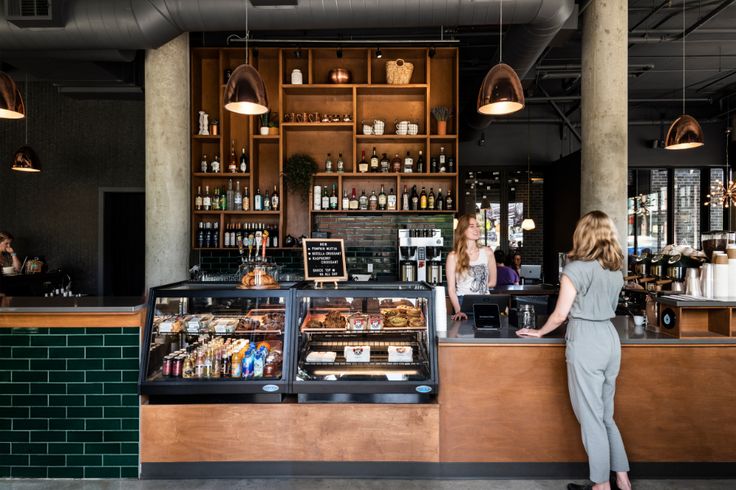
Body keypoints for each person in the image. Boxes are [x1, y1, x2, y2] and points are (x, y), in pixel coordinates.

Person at [517, 211, 632, 490]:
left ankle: (601, 484)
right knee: (605, 414)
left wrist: (540, 331)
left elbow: (559, 315)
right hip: (609, 337)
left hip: (586, 339)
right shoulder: (615, 269)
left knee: (591, 416)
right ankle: (623, 480)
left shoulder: (575, 269)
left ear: (582, 234)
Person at [446, 215, 497, 320]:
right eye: (472, 226)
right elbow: (451, 289)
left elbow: (493, 282)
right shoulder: (453, 256)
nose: (476, 229)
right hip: (463, 303)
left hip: (485, 302)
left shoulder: (488, 252)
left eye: (477, 226)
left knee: (488, 334)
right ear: (463, 230)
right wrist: (458, 310)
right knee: (465, 334)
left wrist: (479, 287)